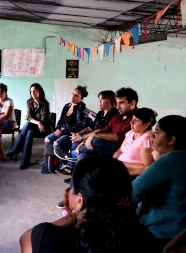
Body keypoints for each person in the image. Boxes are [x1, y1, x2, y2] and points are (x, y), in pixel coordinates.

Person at [20, 156, 150, 253]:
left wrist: (71, 215)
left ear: (79, 200)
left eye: (73, 187)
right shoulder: (143, 238)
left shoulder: (52, 238)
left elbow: (26, 239)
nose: (69, 191)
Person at [57, 87, 138, 208]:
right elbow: (104, 129)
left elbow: (119, 137)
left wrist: (93, 136)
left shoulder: (136, 119)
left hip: (121, 153)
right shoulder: (118, 116)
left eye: (121, 103)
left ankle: (72, 154)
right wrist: (84, 140)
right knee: (84, 156)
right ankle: (73, 194)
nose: (117, 106)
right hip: (107, 149)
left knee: (97, 140)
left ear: (132, 103)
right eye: (117, 103)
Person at [132, 115, 186, 252]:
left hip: (161, 234)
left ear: (172, 139)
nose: (153, 137)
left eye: (157, 133)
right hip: (180, 233)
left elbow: (132, 191)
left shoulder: (171, 161)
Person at [56, 90, 118, 173]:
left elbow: (100, 131)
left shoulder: (113, 114)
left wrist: (81, 138)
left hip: (102, 141)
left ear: (109, 100)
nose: (99, 102)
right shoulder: (100, 113)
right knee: (79, 150)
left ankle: (70, 156)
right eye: (99, 99)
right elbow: (90, 128)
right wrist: (79, 134)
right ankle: (72, 169)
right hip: (93, 137)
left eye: (102, 99)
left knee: (76, 145)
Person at [6, 83, 52, 169]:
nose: (33, 93)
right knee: (29, 132)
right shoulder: (29, 102)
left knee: (27, 124)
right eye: (31, 91)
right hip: (34, 127)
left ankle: (15, 149)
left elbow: (43, 120)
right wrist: (36, 122)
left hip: (44, 128)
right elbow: (30, 116)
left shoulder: (45, 104)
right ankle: (25, 161)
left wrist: (31, 119)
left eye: (35, 91)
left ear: (40, 92)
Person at [44, 85, 88, 160]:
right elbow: (60, 120)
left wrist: (63, 131)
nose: (73, 96)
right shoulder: (67, 106)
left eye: (76, 95)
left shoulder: (82, 108)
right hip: (63, 131)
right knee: (47, 139)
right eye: (73, 93)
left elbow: (79, 126)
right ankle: (50, 162)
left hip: (71, 134)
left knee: (57, 143)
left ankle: (63, 164)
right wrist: (58, 129)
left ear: (81, 98)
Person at [113, 108, 157, 177]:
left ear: (146, 125)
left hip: (131, 174)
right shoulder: (131, 132)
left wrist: (121, 168)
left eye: (136, 121)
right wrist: (112, 163)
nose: (131, 122)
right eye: (132, 119)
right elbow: (120, 150)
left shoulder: (147, 139)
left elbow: (146, 167)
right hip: (119, 168)